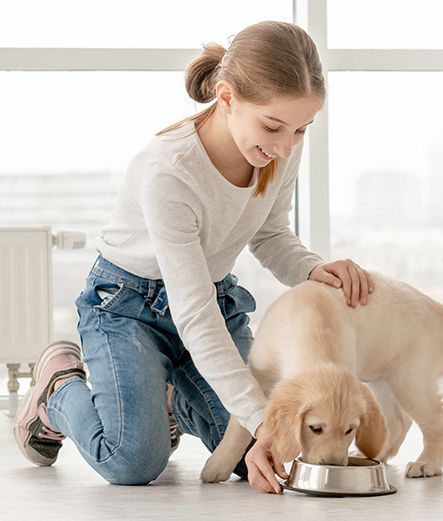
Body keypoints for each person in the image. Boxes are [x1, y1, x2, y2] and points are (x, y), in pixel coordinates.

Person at [12, 21, 372, 494]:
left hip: (212, 302)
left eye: (302, 128)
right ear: (226, 97)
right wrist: (262, 421)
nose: (286, 146)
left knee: (261, 456)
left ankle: (166, 400)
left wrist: (311, 269)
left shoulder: (279, 148)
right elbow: (194, 314)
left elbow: (270, 232)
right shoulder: (169, 172)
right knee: (133, 462)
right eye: (274, 126)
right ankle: (59, 387)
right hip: (128, 309)